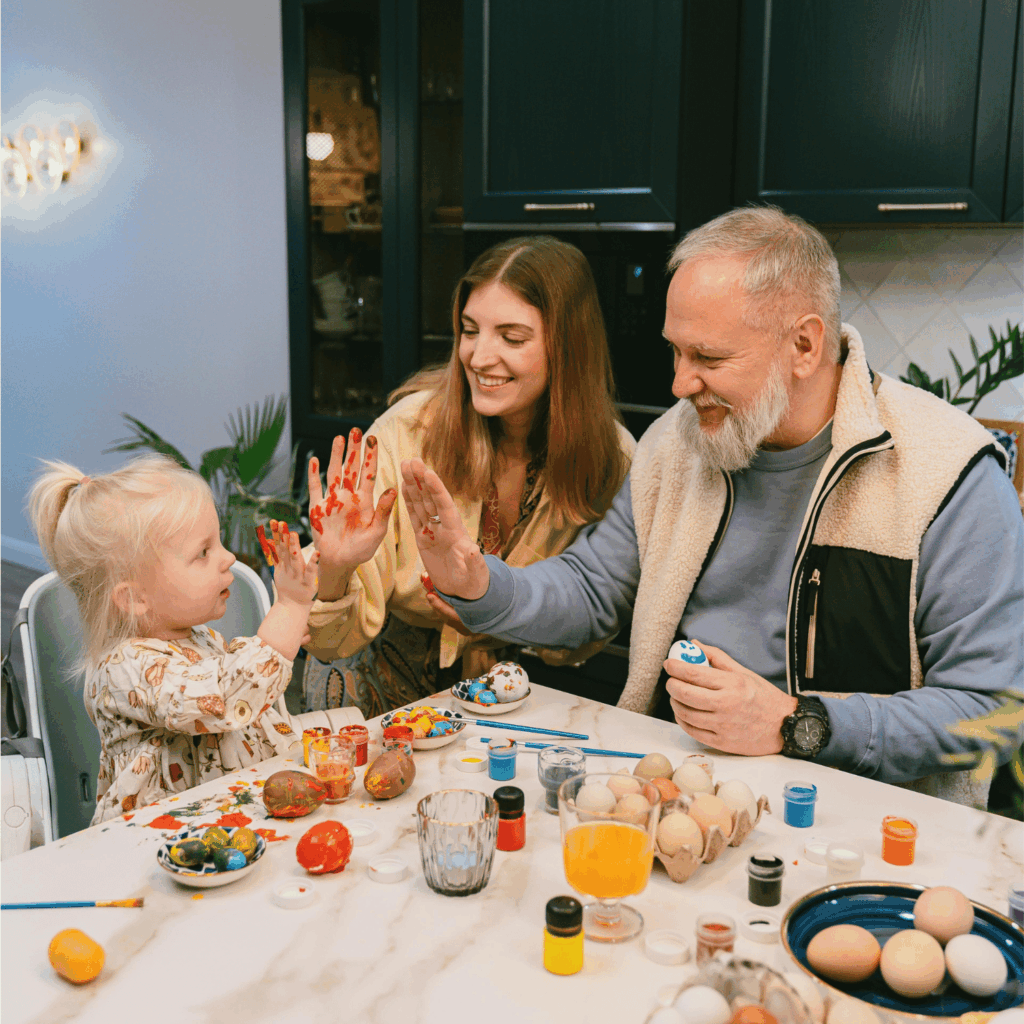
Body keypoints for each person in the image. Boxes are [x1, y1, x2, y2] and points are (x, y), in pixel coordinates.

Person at [404, 206, 1023, 807]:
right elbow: (595, 590)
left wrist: (795, 722)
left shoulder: (947, 475)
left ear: (804, 346)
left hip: (865, 815)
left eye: (709, 358)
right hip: (675, 782)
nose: (679, 383)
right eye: (676, 351)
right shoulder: (677, 445)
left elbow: (994, 709)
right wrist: (483, 585)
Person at [302, 235, 635, 718]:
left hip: (507, 693)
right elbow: (333, 639)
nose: (478, 357)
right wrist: (332, 571)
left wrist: (502, 616)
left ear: (570, 347)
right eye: (470, 330)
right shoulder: (407, 432)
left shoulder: (613, 458)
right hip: (373, 688)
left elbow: (585, 631)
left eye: (512, 337)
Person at [28, 456, 322, 825]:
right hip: (155, 852)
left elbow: (237, 685)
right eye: (203, 552)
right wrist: (290, 609)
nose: (228, 557)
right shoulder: (123, 668)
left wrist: (285, 636)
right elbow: (226, 701)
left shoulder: (199, 637)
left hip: (234, 825)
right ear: (135, 599)